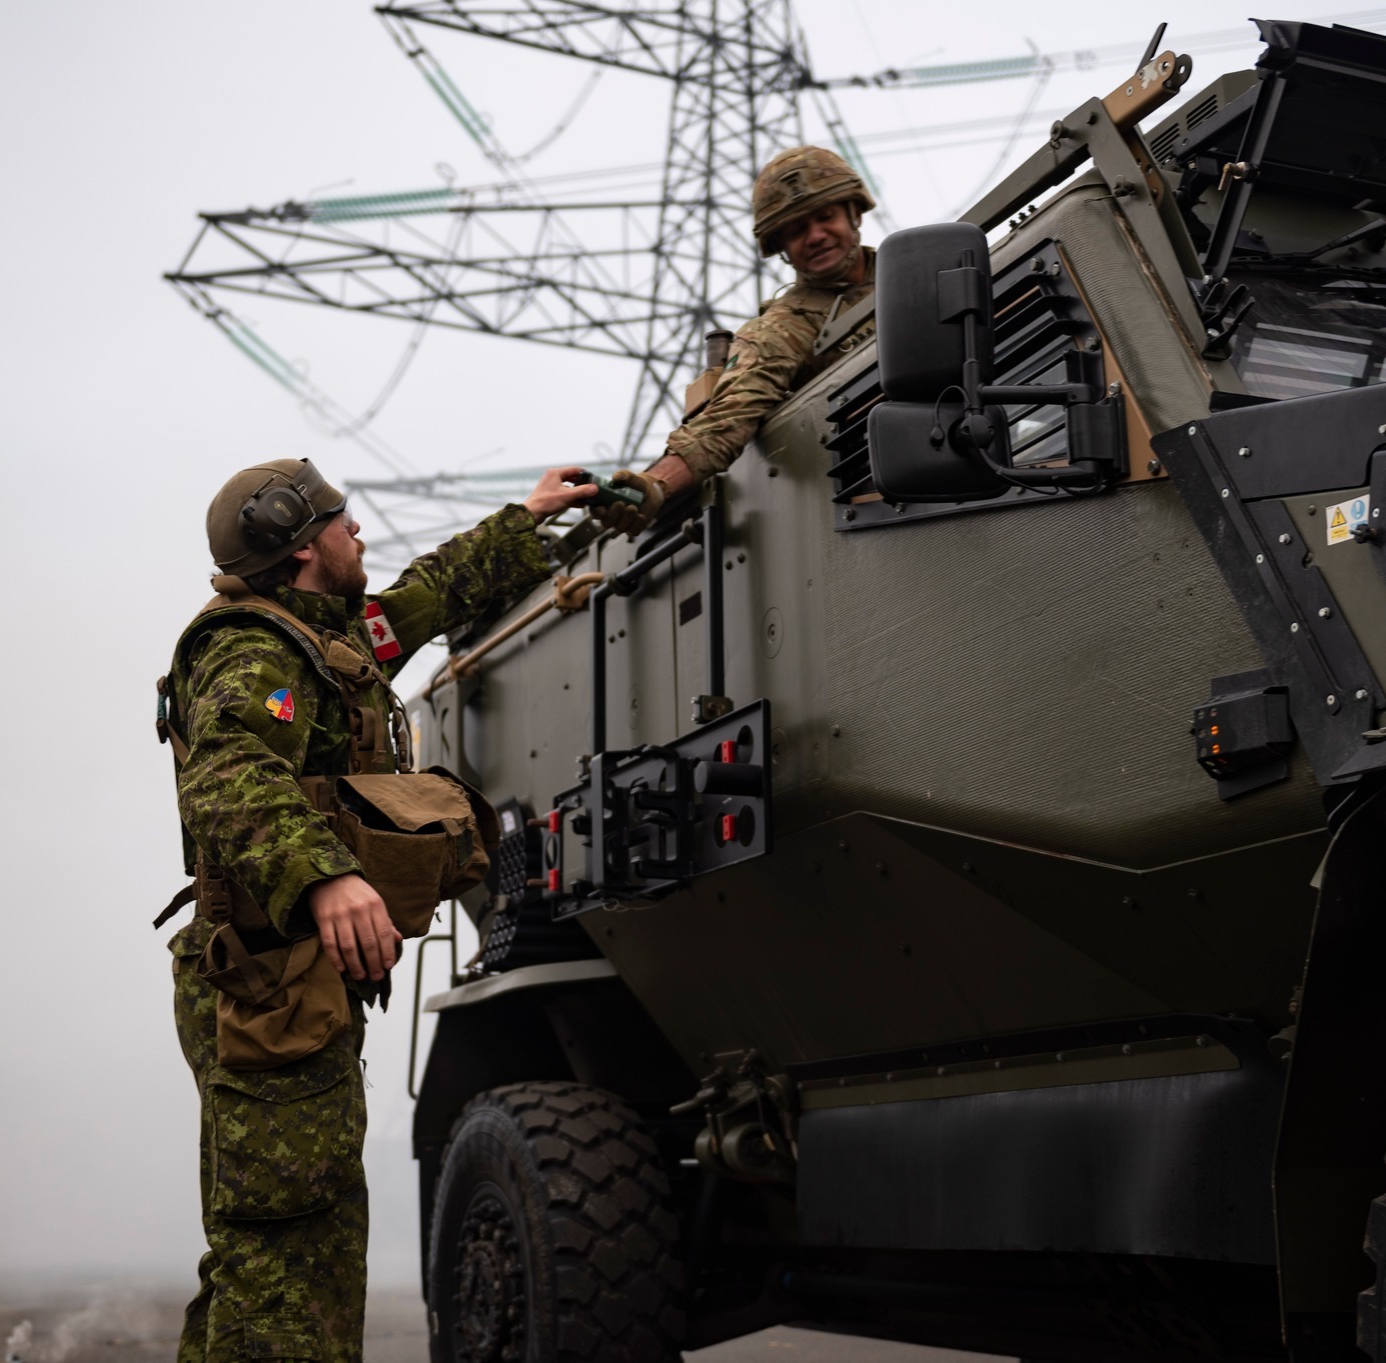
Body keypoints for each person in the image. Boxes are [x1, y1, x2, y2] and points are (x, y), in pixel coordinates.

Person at [157, 456, 597, 1363]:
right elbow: (227, 774)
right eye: (342, 520)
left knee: (286, 1249)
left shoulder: (329, 641)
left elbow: (425, 599)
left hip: (294, 989)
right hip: (265, 986)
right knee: (285, 1256)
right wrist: (324, 875)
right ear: (304, 546)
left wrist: (528, 515)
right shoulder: (253, 649)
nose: (358, 530)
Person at [598, 145, 878, 535]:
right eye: (796, 230)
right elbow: (726, 418)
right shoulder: (781, 330)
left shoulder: (915, 271)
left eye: (825, 217)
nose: (815, 236)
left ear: (855, 213)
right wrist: (655, 486)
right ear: (779, 246)